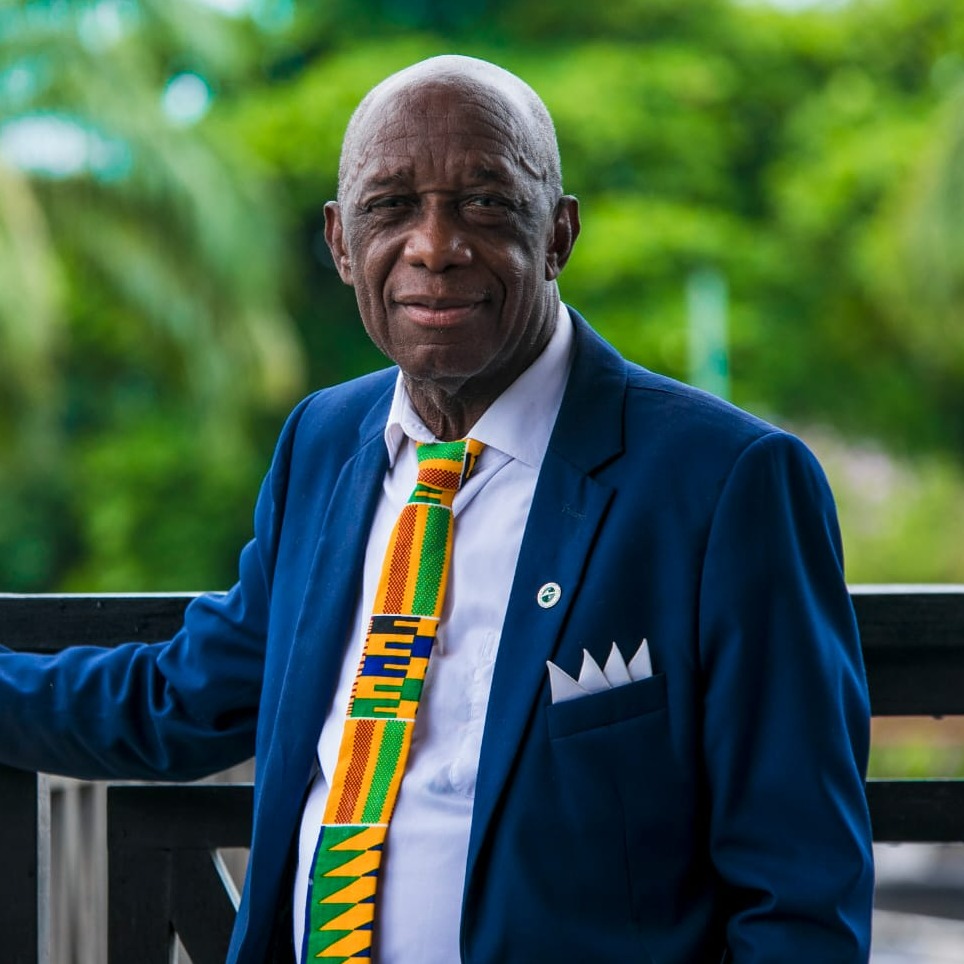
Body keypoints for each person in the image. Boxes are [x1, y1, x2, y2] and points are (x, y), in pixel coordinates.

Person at [0, 55, 873, 963]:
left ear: (559, 234)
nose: (435, 245)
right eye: (389, 208)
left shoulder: (726, 482)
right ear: (342, 244)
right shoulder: (325, 442)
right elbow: (186, 696)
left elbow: (800, 890)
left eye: (487, 205)